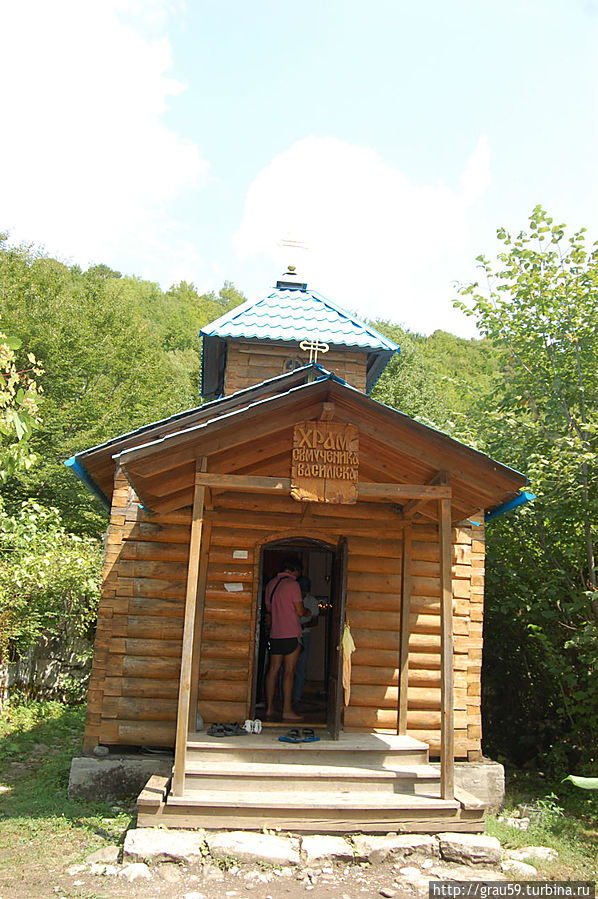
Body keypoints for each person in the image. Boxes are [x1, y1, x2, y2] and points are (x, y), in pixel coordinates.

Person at [264, 558, 306, 722]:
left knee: (273, 670)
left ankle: (269, 709)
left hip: (276, 633)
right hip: (291, 633)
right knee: (289, 672)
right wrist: (307, 612)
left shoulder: (271, 584)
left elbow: (269, 608)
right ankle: (287, 710)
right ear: (295, 570)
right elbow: (300, 611)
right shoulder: (293, 585)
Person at [292, 576, 319, 704]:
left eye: (305, 590)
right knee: (285, 668)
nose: (303, 593)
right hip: (290, 634)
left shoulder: (312, 601)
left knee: (301, 668)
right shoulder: (291, 597)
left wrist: (304, 625)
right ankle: (282, 697)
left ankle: (297, 697)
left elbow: (315, 620)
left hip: (305, 634)